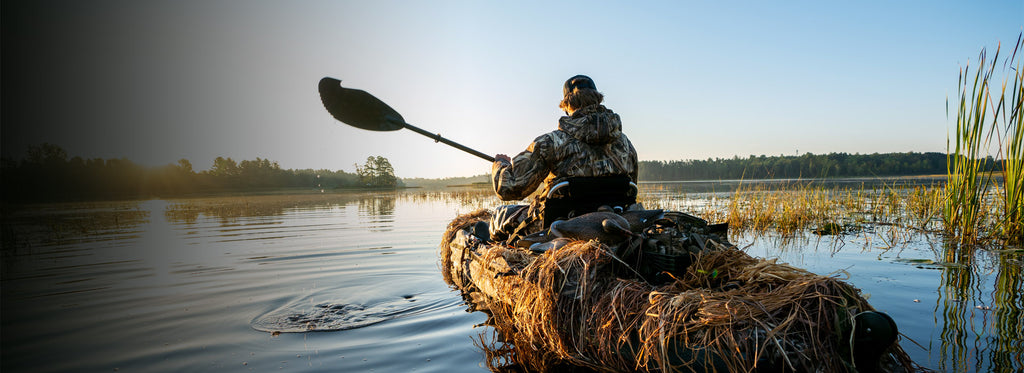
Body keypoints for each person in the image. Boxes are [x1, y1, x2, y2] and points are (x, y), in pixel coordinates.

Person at [486, 75, 638, 243]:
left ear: (566, 106)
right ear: (598, 99)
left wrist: (500, 165)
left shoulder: (551, 142)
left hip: (556, 227)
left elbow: (508, 187)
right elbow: (632, 189)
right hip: (608, 225)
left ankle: (492, 251)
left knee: (501, 214)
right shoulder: (626, 145)